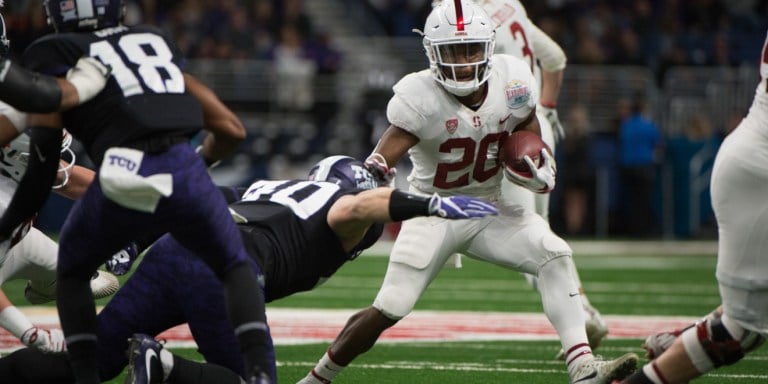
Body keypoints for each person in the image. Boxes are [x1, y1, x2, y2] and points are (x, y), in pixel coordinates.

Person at [299, 2, 638, 384]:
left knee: (554, 253)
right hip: (432, 211)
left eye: (471, 49)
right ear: (432, 53)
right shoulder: (419, 94)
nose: (462, 60)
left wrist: (533, 162)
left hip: (489, 205)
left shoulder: (512, 79)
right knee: (391, 305)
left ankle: (582, 368)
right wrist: (374, 170)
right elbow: (382, 156)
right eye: (452, 51)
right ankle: (317, 378)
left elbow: (527, 127)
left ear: (488, 48)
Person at [0, 155, 499, 384]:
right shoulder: (343, 206)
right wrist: (428, 205)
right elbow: (359, 209)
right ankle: (165, 366)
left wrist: (136, 240)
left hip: (174, 252)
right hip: (223, 269)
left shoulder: (267, 190)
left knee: (91, 363)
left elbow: (194, 198)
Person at [0, 1, 271, 383]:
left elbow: (42, 167)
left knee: (75, 272)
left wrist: (10, 223)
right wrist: (199, 162)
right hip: (183, 168)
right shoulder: (155, 39)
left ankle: (85, 376)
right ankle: (260, 373)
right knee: (234, 265)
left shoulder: (51, 54)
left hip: (122, 173)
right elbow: (232, 129)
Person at [616, 30, 768, 384]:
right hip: (758, 176)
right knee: (741, 328)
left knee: (747, 322)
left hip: (752, 164)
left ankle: (692, 334)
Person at [478, 0, 609, 357]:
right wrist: (547, 110)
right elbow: (555, 58)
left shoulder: (470, 20)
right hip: (537, 128)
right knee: (542, 229)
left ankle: (581, 318)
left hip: (509, 135)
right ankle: (585, 310)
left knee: (527, 239)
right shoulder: (509, 6)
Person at [0, 10, 118, 354]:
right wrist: (31, 335)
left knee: (86, 277)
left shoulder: (16, 142)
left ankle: (41, 286)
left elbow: (68, 178)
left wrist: (145, 195)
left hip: (17, 239)